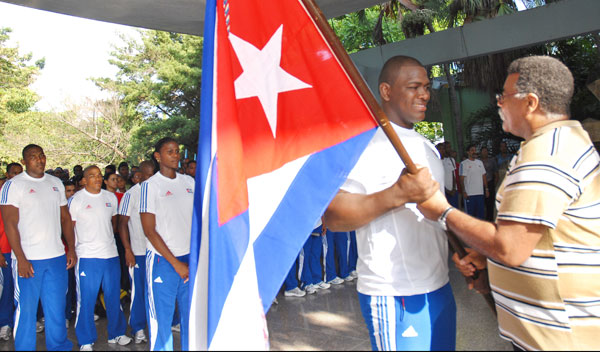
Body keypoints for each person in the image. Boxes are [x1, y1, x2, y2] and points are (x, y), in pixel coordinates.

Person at [417, 56, 600, 350]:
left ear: (530, 103)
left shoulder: (547, 155)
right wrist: (491, 261)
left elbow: (511, 247)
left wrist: (442, 211)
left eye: (503, 96)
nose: (499, 103)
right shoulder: (557, 142)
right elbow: (535, 239)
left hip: (562, 337)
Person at [325, 56, 455, 351]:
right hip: (395, 293)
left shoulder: (425, 146)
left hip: (439, 285)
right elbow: (333, 216)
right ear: (386, 91)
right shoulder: (363, 145)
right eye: (413, 87)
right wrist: (397, 194)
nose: (424, 94)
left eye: (426, 86)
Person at [0, 144, 76, 351]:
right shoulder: (14, 185)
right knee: (26, 311)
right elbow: (10, 224)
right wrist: (21, 259)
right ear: (24, 161)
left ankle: (59, 346)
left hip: (56, 257)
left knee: (56, 309)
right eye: (33, 157)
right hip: (29, 260)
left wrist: (71, 248)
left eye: (41, 155)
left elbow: (65, 218)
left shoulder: (55, 183)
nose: (39, 160)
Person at [140, 137, 195, 351]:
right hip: (163, 260)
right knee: (161, 320)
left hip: (189, 257)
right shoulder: (150, 186)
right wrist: (175, 263)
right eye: (170, 151)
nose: (175, 155)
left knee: (191, 316)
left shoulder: (189, 182)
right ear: (158, 156)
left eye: (177, 151)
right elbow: (149, 230)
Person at [69, 165, 132, 350]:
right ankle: (86, 340)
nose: (97, 179)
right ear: (84, 180)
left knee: (113, 297)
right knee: (86, 300)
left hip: (110, 255)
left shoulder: (110, 197)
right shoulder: (76, 200)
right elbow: (69, 229)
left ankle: (117, 334)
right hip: (87, 257)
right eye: (92, 176)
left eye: (99, 175)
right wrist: (73, 251)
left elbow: (113, 225)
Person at [118, 160, 155, 344]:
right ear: (138, 175)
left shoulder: (159, 191)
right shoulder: (131, 195)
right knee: (139, 292)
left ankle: (167, 323)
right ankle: (138, 328)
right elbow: (122, 223)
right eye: (145, 175)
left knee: (158, 291)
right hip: (139, 251)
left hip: (158, 252)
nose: (149, 178)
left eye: (152, 175)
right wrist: (128, 250)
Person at [0, 162, 23, 341]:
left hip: (24, 251)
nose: (17, 176)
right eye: (13, 173)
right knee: (7, 289)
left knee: (23, 289)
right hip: (6, 251)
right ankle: (5, 323)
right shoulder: (3, 196)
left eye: (20, 173)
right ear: (7, 175)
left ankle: (21, 321)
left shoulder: (27, 195)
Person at [459, 145, 488, 219]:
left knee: (480, 215)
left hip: (480, 193)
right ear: (468, 152)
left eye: (475, 150)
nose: (474, 152)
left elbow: (484, 176)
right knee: (470, 216)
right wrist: (464, 191)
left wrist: (486, 189)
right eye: (472, 150)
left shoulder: (480, 163)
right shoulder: (463, 164)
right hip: (470, 194)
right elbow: (461, 179)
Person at [479, 146, 498, 221]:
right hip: (480, 184)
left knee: (490, 204)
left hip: (490, 183)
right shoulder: (478, 161)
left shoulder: (492, 161)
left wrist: (494, 184)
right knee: (482, 204)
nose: (484, 153)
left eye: (486, 151)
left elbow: (496, 173)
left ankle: (490, 219)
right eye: (483, 151)